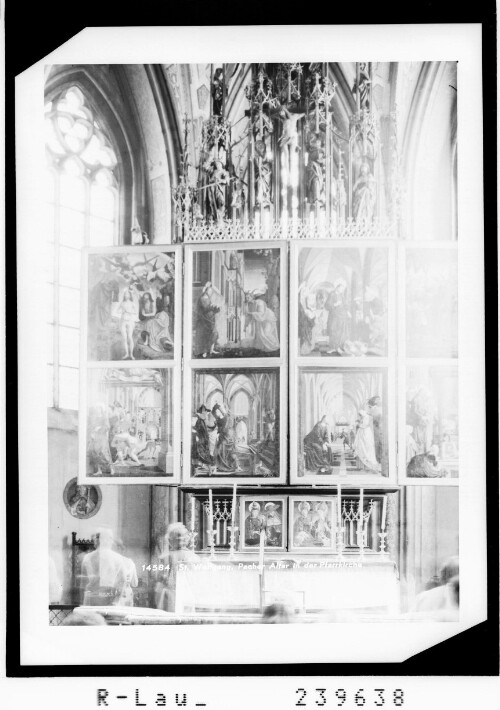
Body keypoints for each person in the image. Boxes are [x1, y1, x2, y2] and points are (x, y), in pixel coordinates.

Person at [81, 528, 138, 606]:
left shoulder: (87, 557)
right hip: (109, 600)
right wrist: (116, 601)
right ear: (110, 541)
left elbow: (83, 583)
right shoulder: (118, 558)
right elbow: (123, 581)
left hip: (92, 599)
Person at [156, 523, 200, 612]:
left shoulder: (166, 557)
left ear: (171, 540)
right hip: (187, 593)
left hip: (170, 594)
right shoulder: (193, 556)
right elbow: (196, 578)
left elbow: (160, 577)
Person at [195, 282, 220, 357]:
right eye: (210, 291)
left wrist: (216, 309)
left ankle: (211, 350)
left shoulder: (208, 297)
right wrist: (212, 307)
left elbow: (210, 308)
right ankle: (204, 352)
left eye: (211, 291)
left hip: (210, 319)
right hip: (205, 320)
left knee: (214, 334)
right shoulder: (204, 297)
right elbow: (206, 308)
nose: (211, 292)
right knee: (206, 335)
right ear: (206, 290)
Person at [353, 407, 381, 473]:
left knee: (366, 449)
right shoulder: (364, 417)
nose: (360, 416)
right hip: (362, 434)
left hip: (366, 433)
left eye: (360, 415)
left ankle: (367, 466)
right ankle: (363, 466)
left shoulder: (366, 417)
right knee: (361, 448)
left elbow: (364, 425)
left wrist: (358, 424)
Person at [326, 280, 350, 355]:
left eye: (343, 289)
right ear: (338, 287)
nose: (342, 290)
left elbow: (345, 304)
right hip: (334, 316)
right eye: (341, 288)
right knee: (333, 331)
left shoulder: (342, 295)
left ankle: (339, 347)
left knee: (341, 331)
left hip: (342, 316)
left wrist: (348, 311)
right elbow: (327, 305)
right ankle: (333, 347)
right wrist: (335, 304)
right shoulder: (332, 294)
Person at [118, 288, 138, 359]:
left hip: (130, 321)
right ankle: (126, 354)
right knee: (124, 338)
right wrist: (122, 311)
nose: (126, 295)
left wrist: (129, 312)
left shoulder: (132, 303)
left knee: (130, 337)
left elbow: (135, 312)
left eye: (128, 294)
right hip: (123, 321)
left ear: (130, 295)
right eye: (125, 294)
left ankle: (131, 354)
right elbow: (117, 311)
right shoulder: (122, 303)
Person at [367, 395, 383, 465]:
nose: (380, 401)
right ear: (375, 402)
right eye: (378, 400)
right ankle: (377, 459)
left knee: (380, 443)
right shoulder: (374, 409)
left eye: (379, 400)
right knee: (376, 443)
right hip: (376, 428)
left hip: (380, 428)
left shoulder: (380, 408)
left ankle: (380, 458)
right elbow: (375, 418)